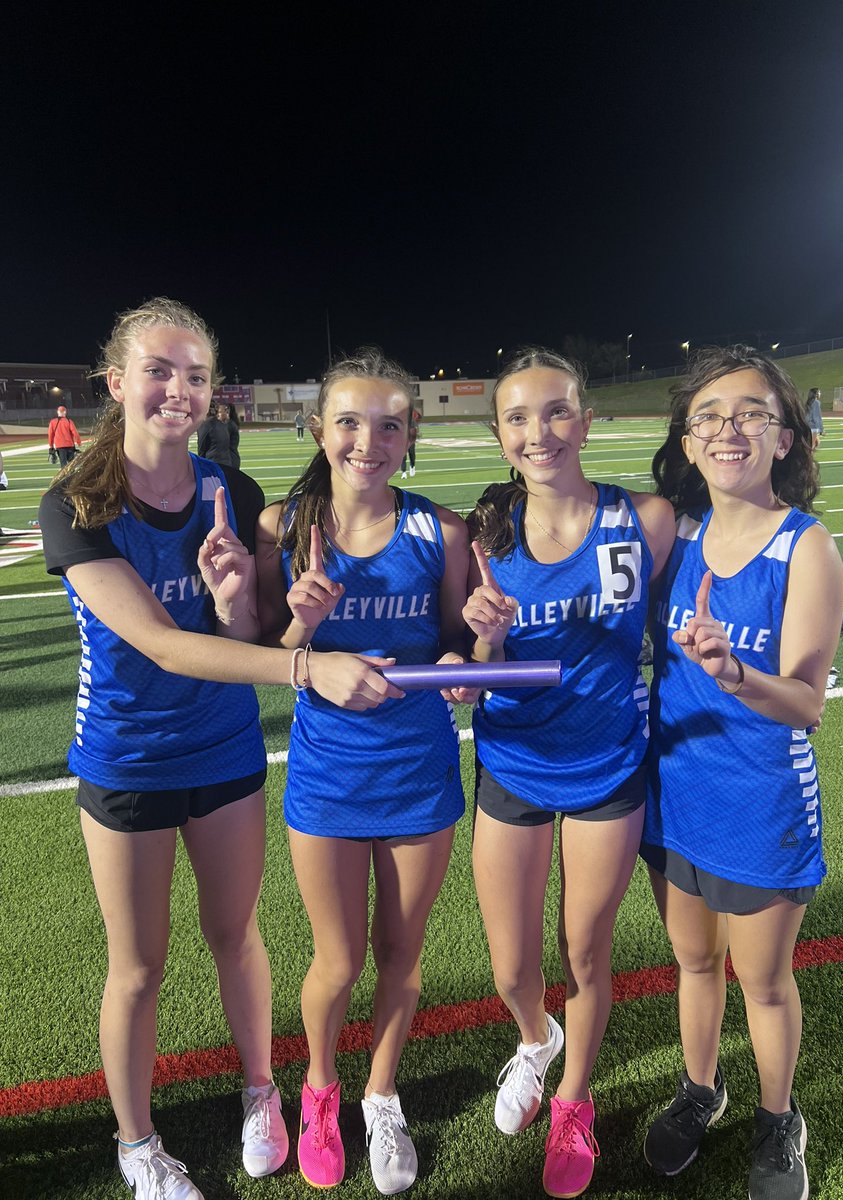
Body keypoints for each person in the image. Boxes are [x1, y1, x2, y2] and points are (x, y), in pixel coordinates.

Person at [37, 298, 398, 1200]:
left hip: (225, 750)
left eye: (196, 375)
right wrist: (309, 671)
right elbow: (158, 643)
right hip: (126, 761)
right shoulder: (76, 503)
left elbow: (242, 635)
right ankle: (136, 1146)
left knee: (237, 935)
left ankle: (260, 1093)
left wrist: (239, 597)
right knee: (140, 965)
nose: (179, 390)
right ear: (117, 382)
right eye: (158, 370)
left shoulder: (228, 494)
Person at [255, 348, 470, 1194]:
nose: (367, 441)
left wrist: (470, 650)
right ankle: (318, 1088)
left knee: (400, 958)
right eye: (348, 421)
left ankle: (382, 1095)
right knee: (336, 961)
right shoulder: (285, 528)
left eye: (388, 424)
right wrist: (300, 625)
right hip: (327, 778)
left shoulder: (439, 531)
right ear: (319, 429)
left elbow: (457, 642)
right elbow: (268, 655)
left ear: (410, 432)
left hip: (419, 774)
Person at [462, 347, 675, 1199]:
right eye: (518, 416)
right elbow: (472, 668)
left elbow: (693, 599)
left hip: (607, 766)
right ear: (500, 434)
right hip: (513, 760)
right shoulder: (487, 534)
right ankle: (534, 1039)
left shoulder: (646, 519)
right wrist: (483, 635)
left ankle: (575, 1101)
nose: (539, 431)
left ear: (585, 422)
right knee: (513, 969)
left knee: (584, 950)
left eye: (555, 412)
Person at [641, 346, 843, 1200]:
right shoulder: (672, 538)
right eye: (710, 416)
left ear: (787, 438)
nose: (730, 428)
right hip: (674, 790)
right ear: (688, 443)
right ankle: (702, 1090)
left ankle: (776, 1119)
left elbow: (805, 703)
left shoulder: (808, 548)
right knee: (693, 964)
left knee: (761, 980)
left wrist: (734, 674)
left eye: (753, 412)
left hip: (762, 802)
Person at [197, 400, 239, 468]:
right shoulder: (223, 425)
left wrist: (201, 464)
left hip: (213, 463)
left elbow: (201, 448)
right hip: (227, 462)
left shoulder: (205, 425)